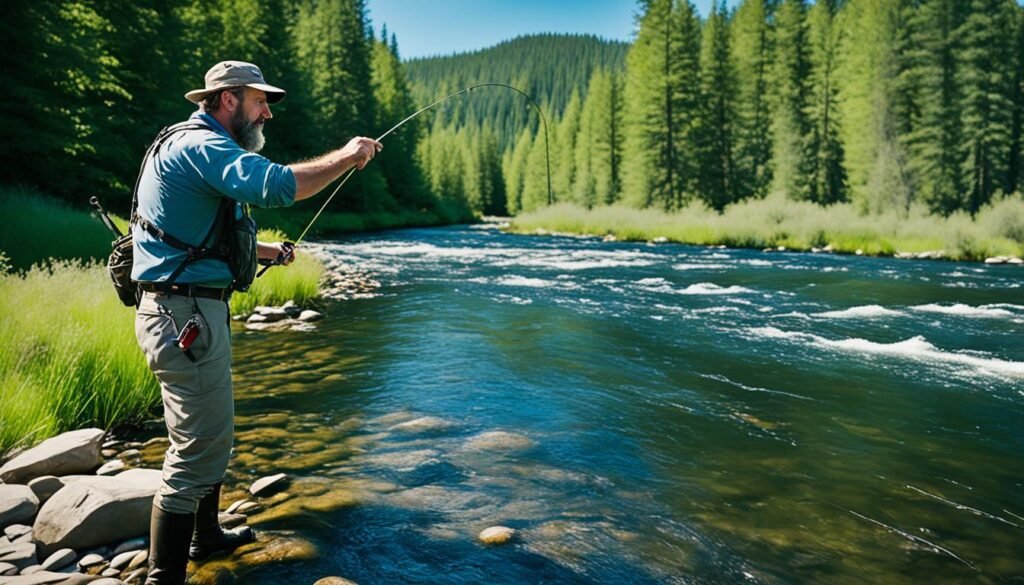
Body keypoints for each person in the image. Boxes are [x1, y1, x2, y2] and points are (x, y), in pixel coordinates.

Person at [132, 60, 382, 585]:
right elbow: (277, 187)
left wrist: (264, 249)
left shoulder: (186, 141)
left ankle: (206, 537)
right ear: (228, 100)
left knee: (212, 433)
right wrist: (347, 155)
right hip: (184, 316)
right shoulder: (205, 146)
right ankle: (163, 577)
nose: (267, 111)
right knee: (197, 449)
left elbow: (189, 225)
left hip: (187, 310)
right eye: (259, 101)